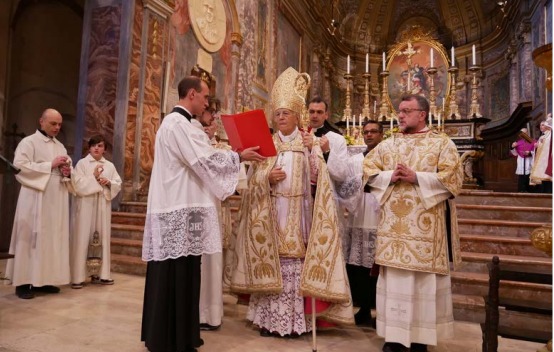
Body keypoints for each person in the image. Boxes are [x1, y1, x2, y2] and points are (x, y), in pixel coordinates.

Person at [141, 76, 265, 352]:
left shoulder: (177, 124)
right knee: (179, 274)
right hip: (180, 207)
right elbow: (204, 160)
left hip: (179, 205)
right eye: (205, 97)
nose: (207, 103)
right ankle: (172, 339)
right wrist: (238, 156)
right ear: (192, 95)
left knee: (178, 274)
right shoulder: (179, 125)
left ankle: (173, 335)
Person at [231, 67, 354, 338]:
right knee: (273, 265)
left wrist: (315, 154)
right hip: (272, 213)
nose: (281, 117)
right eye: (277, 113)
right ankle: (269, 320)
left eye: (286, 113)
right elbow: (251, 182)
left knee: (295, 265)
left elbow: (320, 177)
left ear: (297, 116)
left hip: (300, 214)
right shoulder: (266, 144)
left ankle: (295, 322)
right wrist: (267, 178)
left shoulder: (307, 142)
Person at [362, 95, 463, 352]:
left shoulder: (442, 143)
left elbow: (453, 179)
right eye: (400, 111)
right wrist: (389, 176)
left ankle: (420, 340)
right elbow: (367, 169)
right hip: (393, 233)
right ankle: (394, 339)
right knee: (394, 282)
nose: (401, 115)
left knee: (422, 285)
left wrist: (416, 177)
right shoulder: (388, 144)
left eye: (407, 111)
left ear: (423, 114)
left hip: (425, 235)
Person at [6, 108, 73, 299]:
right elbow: (19, 167)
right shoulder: (28, 142)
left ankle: (43, 280)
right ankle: (23, 282)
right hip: (35, 196)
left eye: (59, 124)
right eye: (53, 123)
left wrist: (67, 172)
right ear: (41, 121)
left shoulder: (60, 146)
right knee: (31, 238)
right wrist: (49, 165)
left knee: (51, 238)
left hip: (55, 198)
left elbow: (66, 170)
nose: (57, 127)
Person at [344, 120, 383, 327]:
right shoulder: (357, 157)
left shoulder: (387, 155)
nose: (369, 135)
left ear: (381, 134)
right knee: (358, 265)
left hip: (378, 213)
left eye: (373, 132)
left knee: (375, 265)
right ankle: (364, 308)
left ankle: (380, 312)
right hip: (358, 212)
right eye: (366, 132)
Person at [70, 134, 122, 289]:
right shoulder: (82, 163)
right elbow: (77, 184)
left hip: (102, 207)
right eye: (94, 146)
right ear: (89, 148)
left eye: (100, 146)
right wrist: (95, 178)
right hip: (86, 205)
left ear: (104, 149)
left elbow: (117, 183)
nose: (97, 148)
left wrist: (108, 183)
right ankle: (78, 276)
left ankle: (101, 274)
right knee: (83, 237)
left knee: (101, 238)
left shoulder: (110, 166)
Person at [529, 116, 552, 193]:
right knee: (544, 179)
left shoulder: (550, 135)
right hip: (542, 162)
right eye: (540, 125)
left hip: (548, 160)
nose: (541, 126)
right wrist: (536, 147)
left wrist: (548, 117)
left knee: (548, 179)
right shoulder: (542, 136)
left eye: (543, 124)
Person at [510, 128, 536, 192]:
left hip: (529, 161)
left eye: (524, 133)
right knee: (521, 178)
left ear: (527, 133)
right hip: (521, 161)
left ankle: (529, 191)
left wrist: (530, 152)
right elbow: (515, 154)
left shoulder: (533, 141)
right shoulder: (518, 143)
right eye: (521, 133)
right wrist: (512, 147)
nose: (523, 134)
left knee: (528, 177)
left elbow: (538, 152)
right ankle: (521, 191)